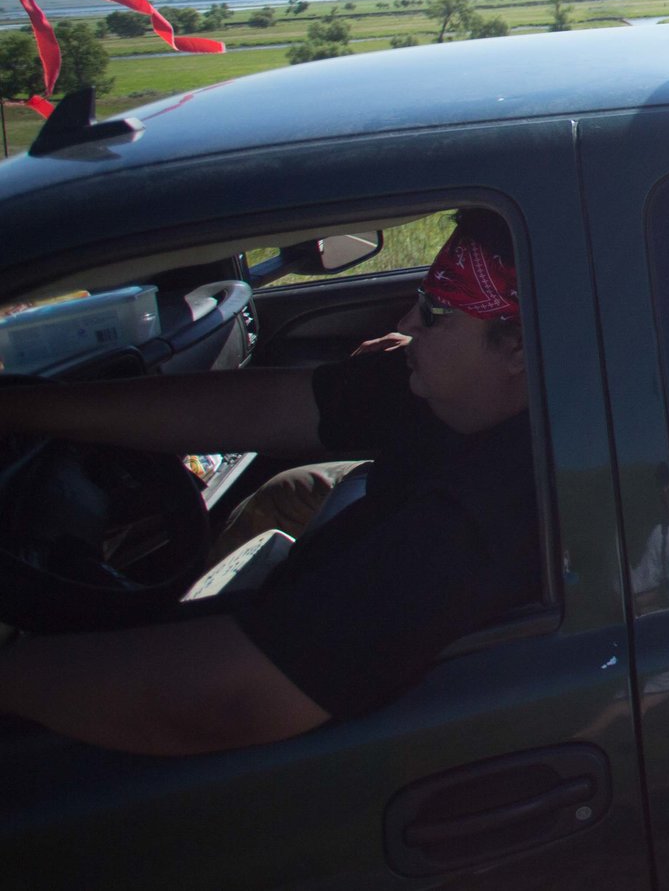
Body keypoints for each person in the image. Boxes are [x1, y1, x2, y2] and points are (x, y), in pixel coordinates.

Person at [0, 215, 540, 755]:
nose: (408, 324)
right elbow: (269, 405)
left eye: (433, 313)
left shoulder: (478, 522)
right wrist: (26, 408)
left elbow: (224, 702)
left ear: (516, 348)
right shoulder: (452, 390)